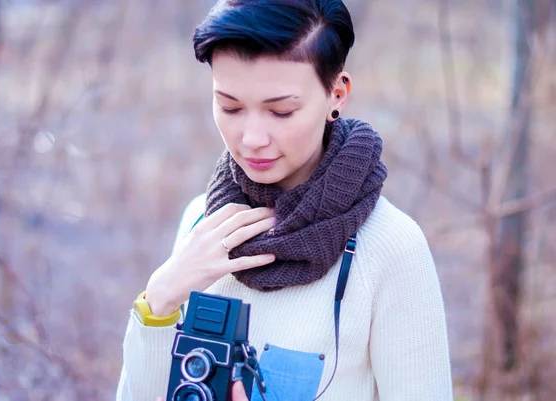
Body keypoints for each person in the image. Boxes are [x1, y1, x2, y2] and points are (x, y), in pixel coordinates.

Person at [116, 0, 453, 400]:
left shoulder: (391, 248)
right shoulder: (203, 221)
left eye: (281, 112)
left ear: (337, 94)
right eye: (230, 107)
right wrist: (160, 300)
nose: (252, 138)